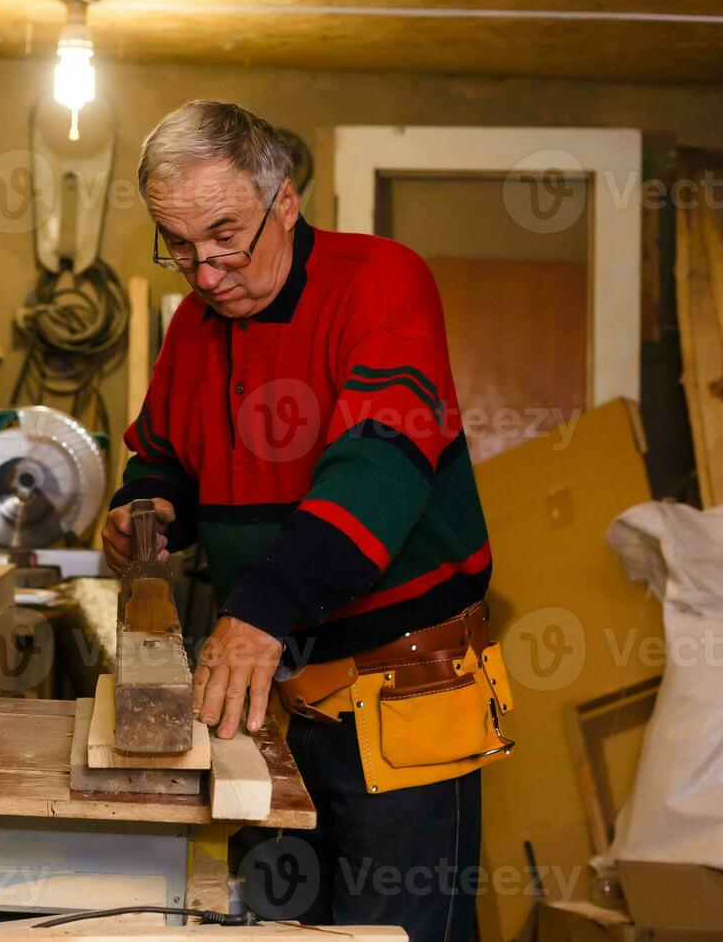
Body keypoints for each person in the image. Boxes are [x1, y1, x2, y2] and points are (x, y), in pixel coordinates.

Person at [102, 100, 508, 942]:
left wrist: (259, 612)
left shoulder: (382, 281)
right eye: (179, 247)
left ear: (284, 200)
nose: (205, 273)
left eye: (226, 237)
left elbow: (377, 468)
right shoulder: (193, 326)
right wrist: (146, 509)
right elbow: (165, 454)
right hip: (272, 700)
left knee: (396, 936)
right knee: (276, 929)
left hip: (402, 694)